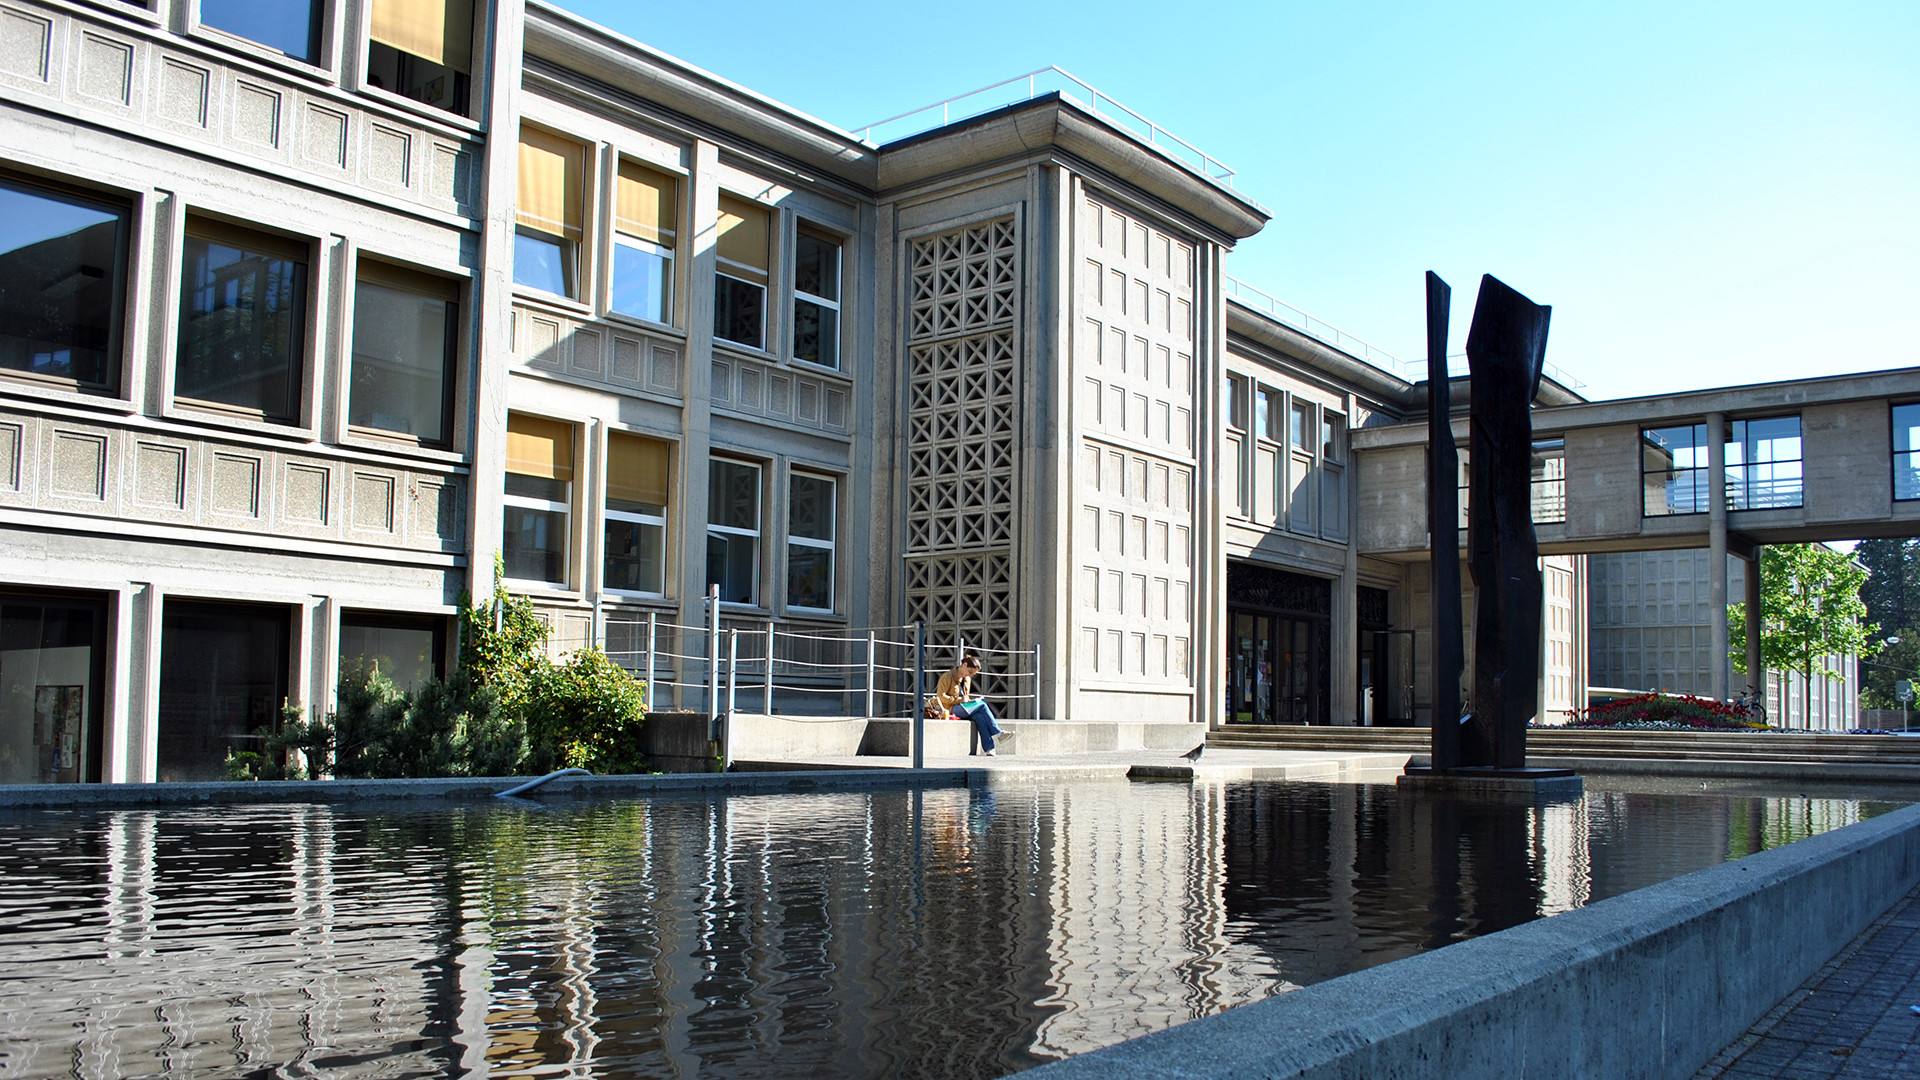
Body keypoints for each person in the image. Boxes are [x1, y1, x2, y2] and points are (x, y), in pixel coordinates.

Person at [934, 654, 1013, 756]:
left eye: (973, 674)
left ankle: (989, 749)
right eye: (970, 672)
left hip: (962, 707)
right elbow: (941, 697)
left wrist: (968, 701)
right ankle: (998, 733)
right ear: (964, 665)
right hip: (950, 709)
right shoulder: (947, 677)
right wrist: (959, 700)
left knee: (979, 717)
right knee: (982, 705)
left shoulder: (967, 680)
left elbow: (965, 697)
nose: (970, 675)